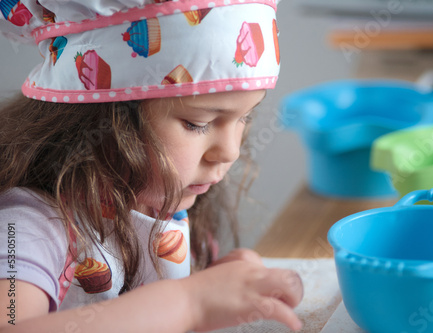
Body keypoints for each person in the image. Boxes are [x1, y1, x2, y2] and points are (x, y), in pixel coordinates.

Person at [0, 1, 304, 332]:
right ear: (108, 120)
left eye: (244, 117)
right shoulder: (29, 229)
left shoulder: (170, 210)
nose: (229, 152)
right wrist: (191, 302)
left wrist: (217, 283)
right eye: (197, 123)